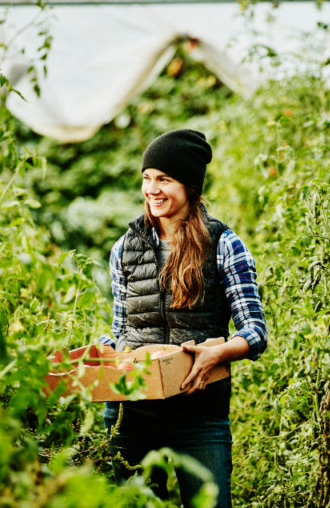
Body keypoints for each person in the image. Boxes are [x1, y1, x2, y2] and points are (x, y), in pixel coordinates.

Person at [98, 128, 268, 508]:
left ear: (189, 186)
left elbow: (255, 332)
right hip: (131, 413)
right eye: (147, 178)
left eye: (164, 179)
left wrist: (219, 354)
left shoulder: (224, 244)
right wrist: (101, 353)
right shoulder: (123, 248)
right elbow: (121, 330)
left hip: (198, 413)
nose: (152, 189)